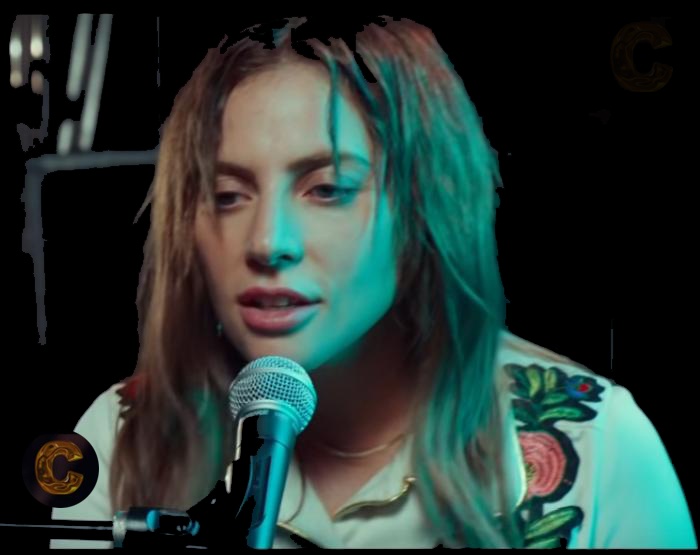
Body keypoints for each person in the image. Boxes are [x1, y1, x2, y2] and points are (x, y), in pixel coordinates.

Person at [50, 15, 696, 549]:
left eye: (328, 189)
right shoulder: (121, 436)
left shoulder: (597, 445)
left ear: (424, 207)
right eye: (227, 195)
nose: (268, 242)